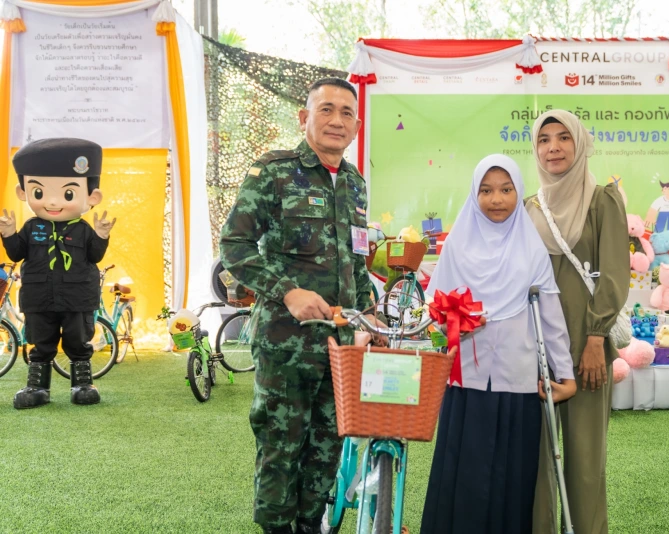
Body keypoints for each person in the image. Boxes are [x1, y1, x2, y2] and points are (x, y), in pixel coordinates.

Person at [219, 77, 386, 534]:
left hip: (341, 343)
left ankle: (311, 523)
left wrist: (368, 310)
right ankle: (276, 527)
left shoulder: (354, 183)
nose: (337, 120)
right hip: (284, 340)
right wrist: (288, 291)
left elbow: (355, 259)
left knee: (328, 443)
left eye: (346, 112)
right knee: (281, 441)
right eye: (326, 109)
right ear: (304, 117)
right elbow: (234, 245)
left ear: (356, 124)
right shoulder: (273, 171)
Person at [420, 154, 576, 534]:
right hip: (465, 381)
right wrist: (448, 332)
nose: (496, 199)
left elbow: (551, 319)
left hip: (517, 381)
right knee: (463, 473)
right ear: (474, 195)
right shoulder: (456, 246)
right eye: (486, 190)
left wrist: (566, 375)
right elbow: (433, 318)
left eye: (506, 190)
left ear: (518, 192)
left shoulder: (531, 248)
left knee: (511, 478)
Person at [525, 110, 629, 534]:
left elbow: (615, 273)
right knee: (534, 464)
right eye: (544, 139)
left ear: (580, 143)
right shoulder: (529, 206)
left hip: (587, 344)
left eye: (564, 137)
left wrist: (594, 338)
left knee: (586, 461)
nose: (553, 147)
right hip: (534, 346)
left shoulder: (602, 199)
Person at [0, 138, 115, 409]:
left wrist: (101, 236)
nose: (52, 201)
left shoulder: (84, 229)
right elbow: (16, 254)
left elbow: (95, 256)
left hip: (77, 297)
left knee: (78, 340)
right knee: (41, 343)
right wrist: (8, 234)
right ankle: (38, 388)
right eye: (39, 193)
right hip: (39, 298)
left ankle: (82, 385)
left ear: (92, 197)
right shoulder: (30, 227)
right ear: (23, 192)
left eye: (67, 193)